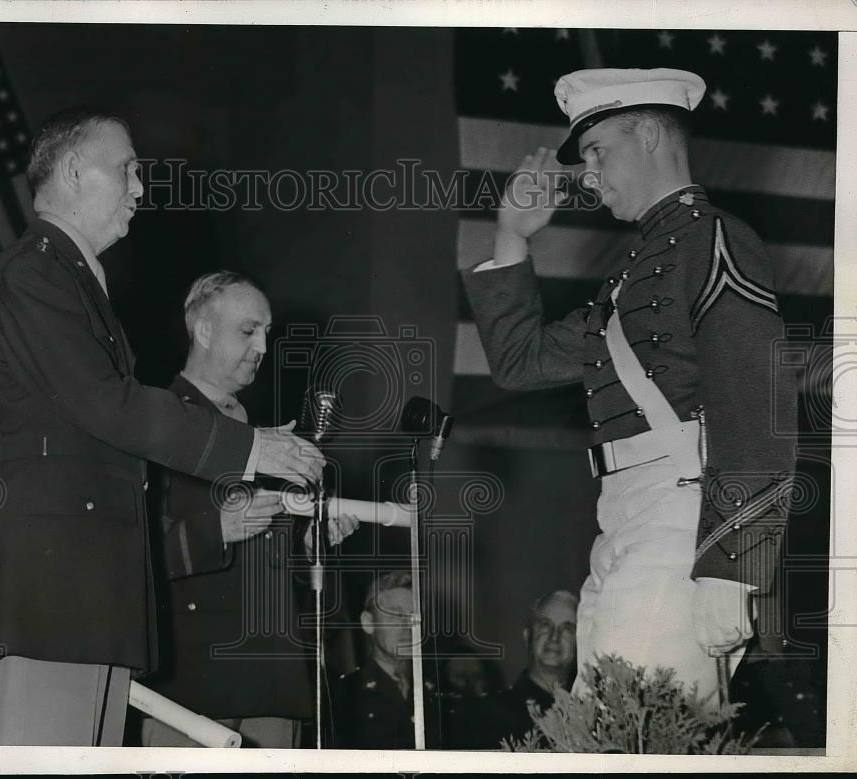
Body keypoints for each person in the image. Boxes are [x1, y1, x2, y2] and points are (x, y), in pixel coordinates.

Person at [0, 108, 324, 746]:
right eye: (127, 169)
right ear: (74, 171)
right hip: (49, 597)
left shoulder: (69, 279)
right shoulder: (35, 273)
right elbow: (107, 404)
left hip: (82, 599)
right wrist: (251, 446)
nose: (140, 188)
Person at [461, 69, 796, 704]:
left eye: (596, 152)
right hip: (624, 513)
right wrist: (510, 237)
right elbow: (520, 362)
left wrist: (735, 563)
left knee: (640, 719)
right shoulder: (632, 278)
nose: (589, 175)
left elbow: (758, 405)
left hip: (685, 514)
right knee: (606, 717)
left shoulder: (713, 239)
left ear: (647, 133)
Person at [141, 271, 359, 748]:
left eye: (267, 332)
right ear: (203, 331)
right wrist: (215, 529)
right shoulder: (155, 421)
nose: (262, 345)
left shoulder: (271, 441)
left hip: (274, 686)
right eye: (248, 330)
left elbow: (289, 583)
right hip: (192, 683)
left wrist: (312, 547)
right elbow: (127, 552)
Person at [330, 571, 441, 749]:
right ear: (368, 623)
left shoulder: (436, 693)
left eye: (414, 616)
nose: (407, 626)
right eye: (395, 614)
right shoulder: (345, 696)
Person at [498, 590, 578, 740]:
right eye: (545, 625)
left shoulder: (589, 714)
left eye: (567, 629)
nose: (554, 637)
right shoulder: (490, 714)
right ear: (528, 635)